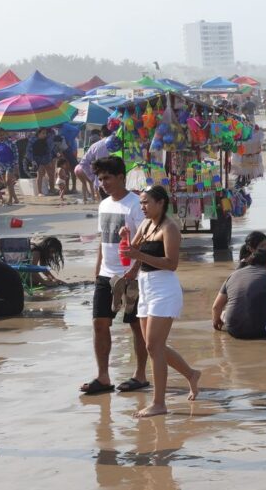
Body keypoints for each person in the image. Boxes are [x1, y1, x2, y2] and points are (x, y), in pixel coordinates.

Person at [124, 185, 200, 417]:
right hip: (146, 285)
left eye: (146, 202)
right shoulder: (146, 224)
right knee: (152, 345)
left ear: (161, 203)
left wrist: (139, 257)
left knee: (154, 346)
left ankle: (159, 403)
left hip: (164, 288)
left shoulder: (170, 228)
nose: (143, 207)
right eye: (141, 203)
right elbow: (134, 247)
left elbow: (171, 263)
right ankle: (191, 374)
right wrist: (126, 238)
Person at [81, 156, 149, 396]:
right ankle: (103, 376)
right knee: (100, 323)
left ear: (121, 177)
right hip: (106, 274)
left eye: (107, 178)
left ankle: (140, 375)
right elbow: (103, 240)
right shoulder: (103, 204)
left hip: (131, 274)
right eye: (100, 179)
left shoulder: (135, 205)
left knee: (136, 326)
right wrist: (97, 269)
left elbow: (144, 241)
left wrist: (136, 268)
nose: (103, 183)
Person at [212, 232, 266, 339]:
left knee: (227, 312)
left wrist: (216, 321)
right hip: (259, 329)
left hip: (233, 328)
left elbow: (216, 307)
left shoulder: (234, 274)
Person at [0, 132, 19, 205]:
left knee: (8, 181)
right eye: (0, 135)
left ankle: (10, 200)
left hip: (10, 163)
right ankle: (15, 199)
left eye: (4, 134)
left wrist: (16, 164)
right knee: (7, 183)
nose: (2, 136)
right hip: (1, 164)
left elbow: (16, 153)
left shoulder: (10, 142)